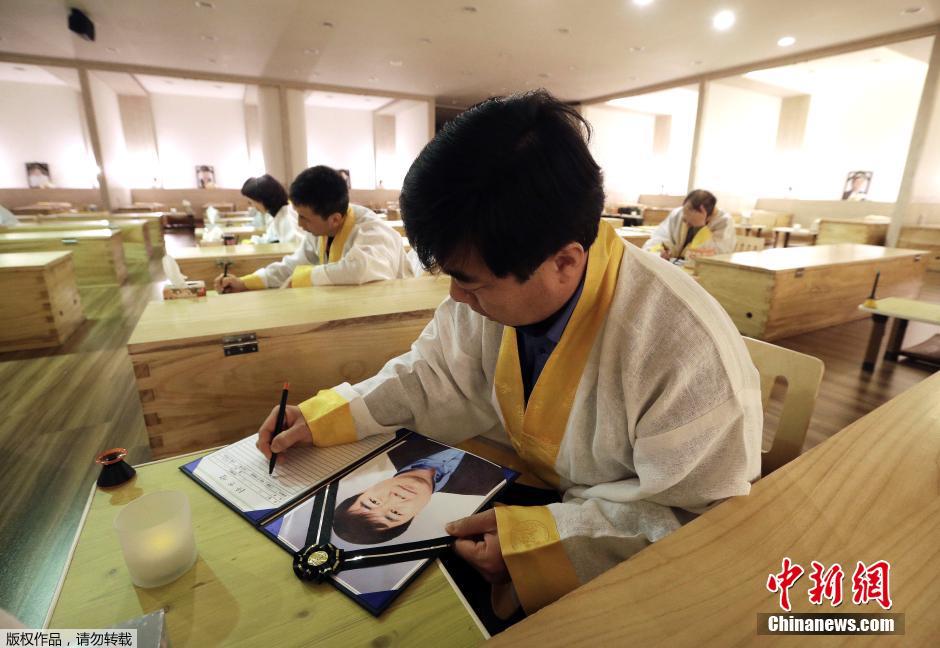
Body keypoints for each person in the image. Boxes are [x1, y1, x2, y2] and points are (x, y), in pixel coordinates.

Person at [253, 91, 762, 621]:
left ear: (564, 263)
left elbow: (695, 518)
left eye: (469, 282)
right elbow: (431, 374)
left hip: (610, 545)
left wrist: (540, 543)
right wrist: (326, 415)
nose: (456, 298)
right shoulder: (500, 277)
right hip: (527, 485)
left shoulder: (681, 348)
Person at [214, 165, 418, 292]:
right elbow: (293, 265)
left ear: (334, 219)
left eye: (304, 218)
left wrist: (303, 278)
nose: (299, 224)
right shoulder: (320, 231)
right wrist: (245, 283)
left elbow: (359, 269)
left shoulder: (372, 231)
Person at [332, 438, 497, 545]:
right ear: (415, 515)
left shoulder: (393, 439)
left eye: (373, 502)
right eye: (395, 513)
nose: (395, 498)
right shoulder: (488, 484)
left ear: (365, 490)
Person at [642, 190, 736, 261]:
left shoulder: (724, 222)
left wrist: (700, 227)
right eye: (684, 219)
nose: (686, 223)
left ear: (706, 215)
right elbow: (660, 237)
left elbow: (719, 255)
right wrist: (662, 252)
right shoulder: (678, 213)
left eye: (690, 223)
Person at [240, 174, 304, 245]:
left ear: (262, 199)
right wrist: (254, 241)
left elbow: (297, 244)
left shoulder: (287, 216)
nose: (253, 206)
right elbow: (270, 238)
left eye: (251, 202)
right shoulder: (278, 214)